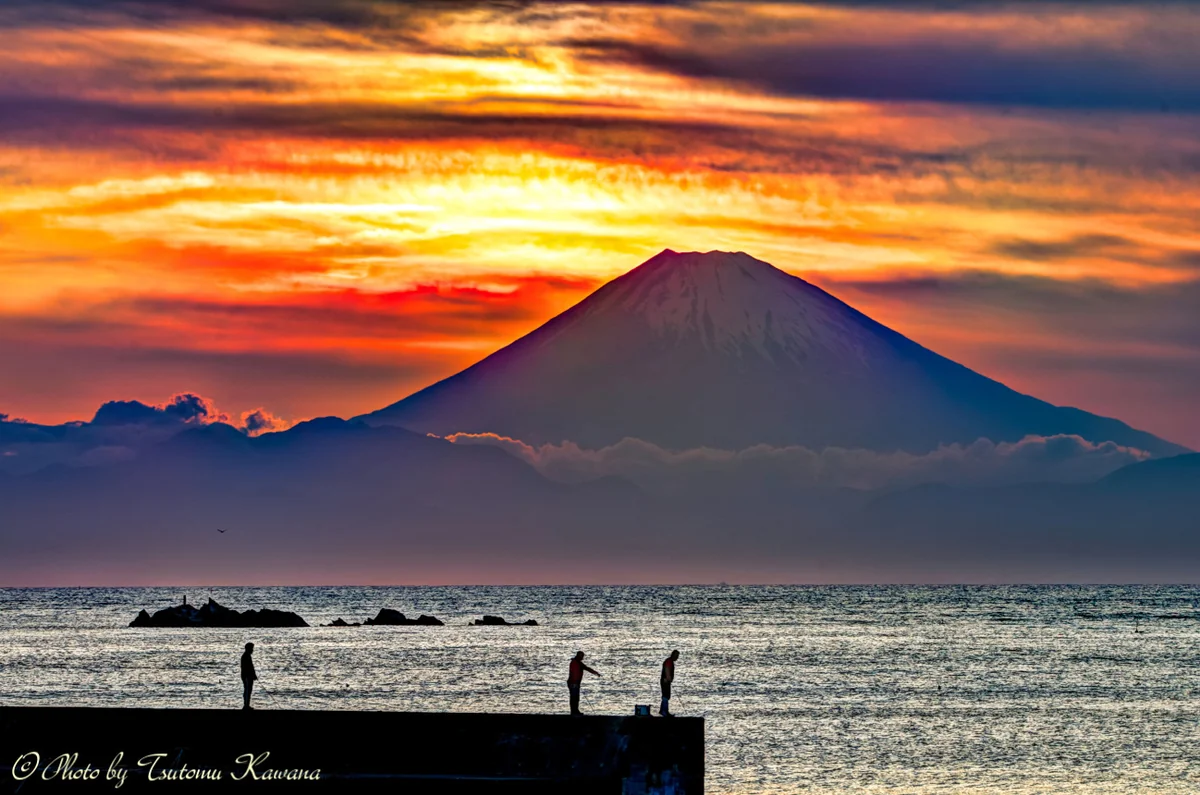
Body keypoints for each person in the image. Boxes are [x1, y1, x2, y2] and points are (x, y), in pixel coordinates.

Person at [567, 651, 600, 715]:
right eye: (582, 656)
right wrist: (596, 673)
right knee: (575, 698)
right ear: (579, 656)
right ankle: (574, 712)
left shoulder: (575, 662)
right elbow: (587, 669)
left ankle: (574, 711)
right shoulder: (577, 663)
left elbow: (586, 668)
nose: (582, 658)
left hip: (572, 683)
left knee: (574, 697)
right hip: (574, 683)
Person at [660, 650, 679, 717]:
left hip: (666, 681)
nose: (677, 657)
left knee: (666, 696)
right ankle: (664, 711)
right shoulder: (669, 661)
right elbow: (667, 669)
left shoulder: (669, 661)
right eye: (676, 656)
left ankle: (663, 711)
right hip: (665, 681)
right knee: (666, 696)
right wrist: (669, 678)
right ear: (673, 655)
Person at [240, 642, 258, 710]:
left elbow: (250, 667)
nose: (252, 650)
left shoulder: (247, 656)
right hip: (247, 676)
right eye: (252, 648)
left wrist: (253, 674)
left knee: (247, 690)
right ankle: (246, 705)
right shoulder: (245, 656)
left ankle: (246, 705)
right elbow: (247, 667)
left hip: (247, 676)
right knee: (247, 690)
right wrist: (251, 675)